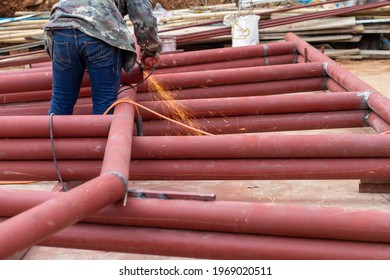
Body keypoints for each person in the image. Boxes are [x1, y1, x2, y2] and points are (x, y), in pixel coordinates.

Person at [44, 0, 162, 115]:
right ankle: (102, 133)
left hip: (61, 30)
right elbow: (144, 17)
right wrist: (151, 51)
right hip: (101, 33)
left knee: (61, 101)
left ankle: (51, 134)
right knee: (105, 102)